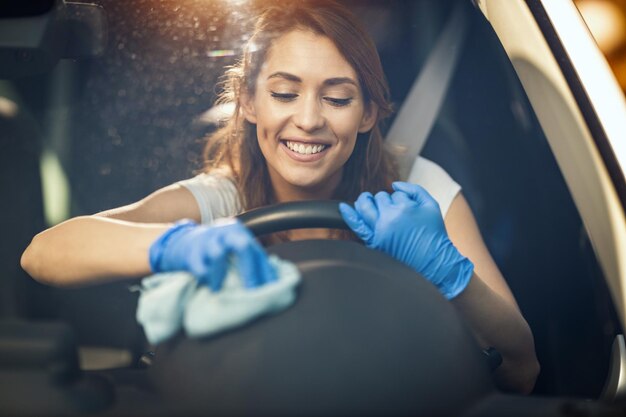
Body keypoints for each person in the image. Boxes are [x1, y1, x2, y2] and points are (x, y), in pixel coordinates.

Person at [20, 0, 539, 394]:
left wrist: (448, 272)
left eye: (336, 98)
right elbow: (41, 253)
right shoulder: (221, 199)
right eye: (284, 94)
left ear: (368, 114)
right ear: (248, 102)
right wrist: (173, 246)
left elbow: (522, 367)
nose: (309, 119)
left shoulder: (420, 190)